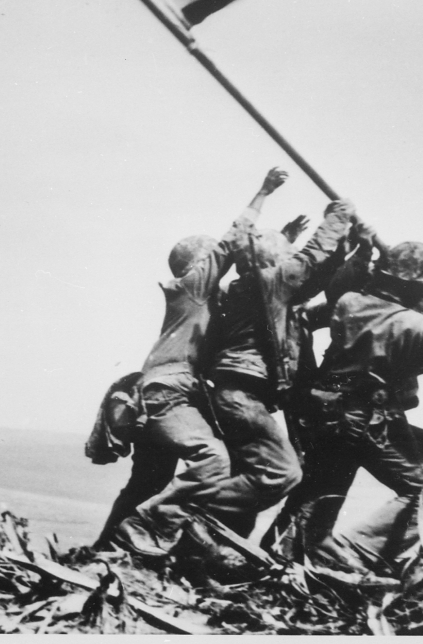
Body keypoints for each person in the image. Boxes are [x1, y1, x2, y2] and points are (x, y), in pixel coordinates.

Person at [273, 241, 423, 575]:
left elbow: (311, 318)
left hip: (327, 410)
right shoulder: (416, 326)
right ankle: (355, 552)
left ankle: (292, 548)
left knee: (324, 488)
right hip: (365, 421)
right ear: (411, 285)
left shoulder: (349, 302)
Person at [103, 167, 287, 556]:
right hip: (170, 393)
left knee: (148, 480)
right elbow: (233, 240)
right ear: (199, 265)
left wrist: (284, 239)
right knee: (213, 460)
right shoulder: (192, 288)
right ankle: (148, 530)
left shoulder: (203, 300)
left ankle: (107, 548)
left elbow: (255, 269)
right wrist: (263, 193)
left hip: (166, 394)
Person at [195, 197, 359, 536]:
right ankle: (180, 512)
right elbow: (311, 260)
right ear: (273, 261)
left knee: (252, 478)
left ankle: (214, 549)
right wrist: (337, 218)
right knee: (282, 472)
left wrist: (355, 250)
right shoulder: (268, 283)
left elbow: (321, 282)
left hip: (241, 398)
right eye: (286, 254)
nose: (291, 259)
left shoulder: (262, 294)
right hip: (241, 398)